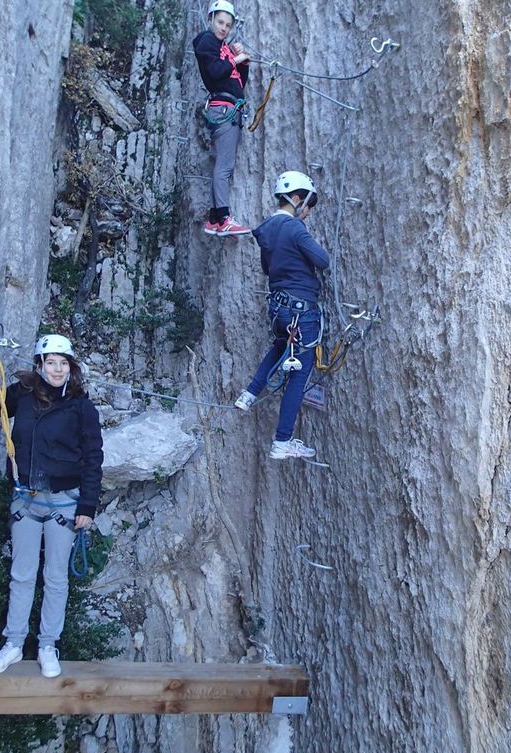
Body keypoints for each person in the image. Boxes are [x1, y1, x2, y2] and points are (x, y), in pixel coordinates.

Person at [0, 334, 103, 678]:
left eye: (63, 364)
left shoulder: (81, 407)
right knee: (21, 575)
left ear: (71, 368)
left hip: (65, 502)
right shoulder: (23, 394)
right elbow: (1, 405)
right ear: (40, 365)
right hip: (26, 498)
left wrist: (88, 506)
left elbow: (93, 458)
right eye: (51, 363)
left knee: (55, 577)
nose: (58, 369)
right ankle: (14, 644)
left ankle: (48, 645)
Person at [234, 171, 329, 459]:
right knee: (299, 374)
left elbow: (267, 269)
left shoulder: (266, 229)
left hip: (278, 308)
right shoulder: (294, 228)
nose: (308, 212)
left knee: (278, 347)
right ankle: (282, 441)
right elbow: (322, 261)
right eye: (309, 205)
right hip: (301, 309)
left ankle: (249, 394)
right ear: (297, 199)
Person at [192, 0, 251, 237]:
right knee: (224, 166)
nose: (223, 28)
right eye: (220, 22)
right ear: (211, 20)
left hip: (228, 106)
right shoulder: (207, 40)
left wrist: (241, 60)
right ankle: (225, 219)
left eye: (228, 24)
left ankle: (215, 219)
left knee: (223, 164)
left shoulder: (222, 47)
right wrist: (234, 60)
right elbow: (216, 72)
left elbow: (238, 81)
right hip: (224, 109)